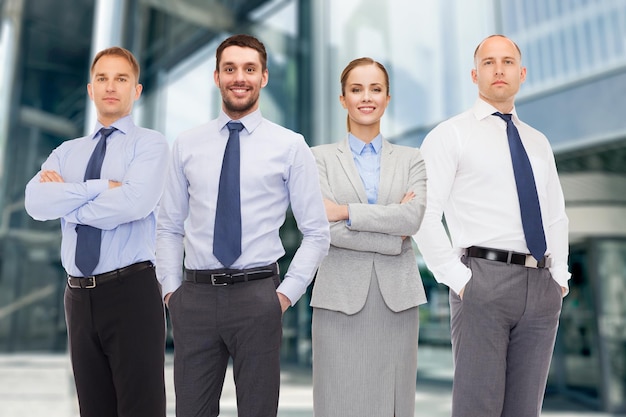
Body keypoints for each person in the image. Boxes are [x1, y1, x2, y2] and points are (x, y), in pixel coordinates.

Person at [156, 33, 330, 417]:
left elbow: (317, 232)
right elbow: (168, 225)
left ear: (264, 76)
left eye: (249, 69)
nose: (240, 77)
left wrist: (283, 296)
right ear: (216, 76)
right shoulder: (186, 144)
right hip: (195, 298)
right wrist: (172, 293)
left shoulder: (290, 146)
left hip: (258, 297)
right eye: (230, 69)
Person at [414, 34, 570, 417]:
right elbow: (423, 213)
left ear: (522, 73)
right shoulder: (450, 135)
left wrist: (560, 278)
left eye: (507, 61)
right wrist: (460, 279)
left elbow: (555, 215)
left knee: (525, 410)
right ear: (474, 74)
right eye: (488, 62)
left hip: (541, 286)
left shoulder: (538, 142)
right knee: (477, 408)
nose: (498, 69)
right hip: (483, 279)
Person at [24, 46, 169, 417]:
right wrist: (101, 187)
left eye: (121, 79)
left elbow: (135, 203)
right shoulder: (65, 151)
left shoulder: (150, 145)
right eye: (102, 78)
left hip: (131, 292)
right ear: (91, 89)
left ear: (136, 91)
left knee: (140, 409)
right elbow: (36, 204)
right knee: (93, 409)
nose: (111, 86)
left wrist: (67, 201)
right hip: (77, 297)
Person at [310, 57, 428, 417]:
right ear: (342, 98)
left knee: (393, 406)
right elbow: (323, 229)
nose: (366, 97)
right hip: (338, 300)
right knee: (337, 403)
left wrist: (346, 212)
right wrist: (395, 236)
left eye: (375, 89)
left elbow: (413, 217)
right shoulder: (318, 159)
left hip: (397, 302)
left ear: (387, 98)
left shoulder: (412, 159)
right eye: (356, 89)